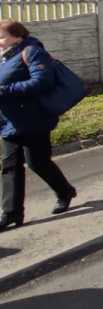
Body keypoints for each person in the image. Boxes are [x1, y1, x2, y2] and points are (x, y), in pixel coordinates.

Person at [0, 19, 77, 230]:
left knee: (38, 163)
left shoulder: (32, 52)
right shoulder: (4, 56)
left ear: (17, 36)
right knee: (9, 166)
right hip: (9, 121)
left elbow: (42, 82)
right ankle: (11, 213)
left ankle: (65, 191)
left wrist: (6, 90)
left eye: (2, 37)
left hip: (34, 119)